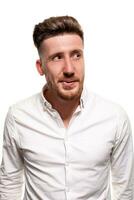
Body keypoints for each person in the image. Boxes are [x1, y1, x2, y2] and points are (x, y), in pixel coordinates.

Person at [0, 16, 133, 200]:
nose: (69, 68)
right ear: (41, 67)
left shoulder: (115, 117)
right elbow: (10, 183)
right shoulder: (18, 117)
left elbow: (124, 190)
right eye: (57, 58)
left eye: (76, 55)